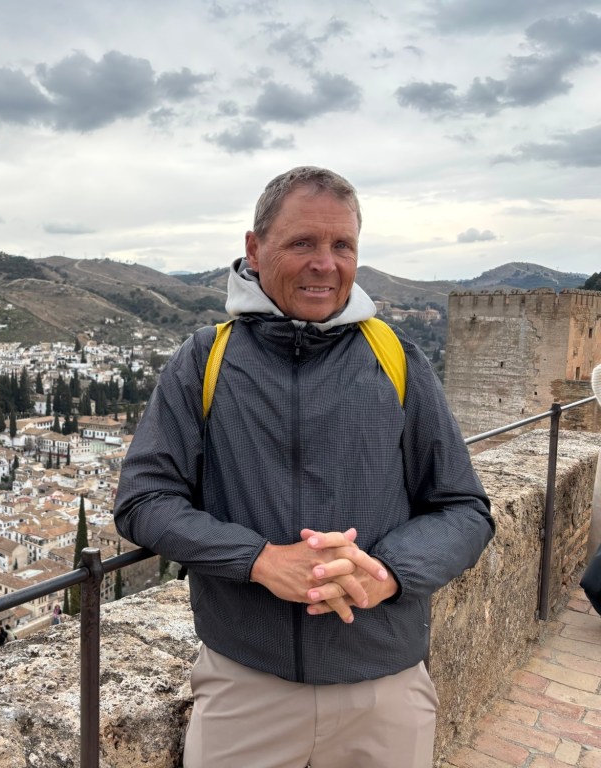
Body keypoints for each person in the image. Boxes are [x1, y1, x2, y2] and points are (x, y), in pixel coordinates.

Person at [113, 166, 494, 768]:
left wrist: (389, 573)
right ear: (254, 249)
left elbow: (464, 509)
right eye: (302, 243)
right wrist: (259, 560)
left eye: (343, 245)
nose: (326, 264)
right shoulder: (205, 361)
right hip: (246, 685)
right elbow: (143, 500)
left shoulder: (397, 360)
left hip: (384, 686)